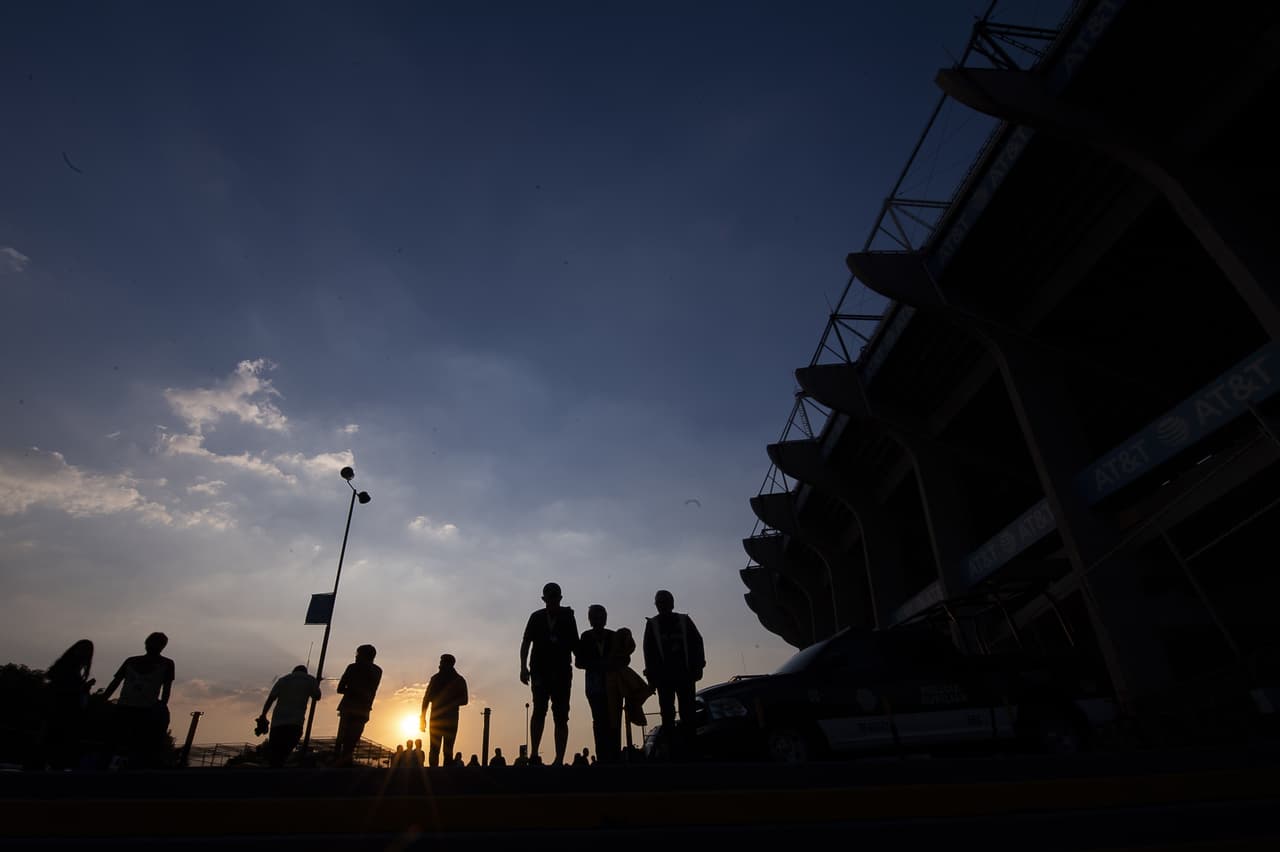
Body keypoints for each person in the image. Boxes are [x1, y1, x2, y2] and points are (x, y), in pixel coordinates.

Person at [519, 582, 579, 765]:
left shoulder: (568, 617)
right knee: (539, 710)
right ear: (544, 599)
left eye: (555, 597)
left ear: (560, 598)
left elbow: (575, 643)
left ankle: (559, 759)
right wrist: (523, 667)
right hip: (540, 671)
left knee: (561, 715)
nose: (553, 601)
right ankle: (534, 754)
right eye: (550, 597)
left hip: (562, 672)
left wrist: (584, 660)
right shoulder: (536, 617)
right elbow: (526, 643)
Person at [642, 590, 705, 757]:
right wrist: (652, 678)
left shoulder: (684, 621)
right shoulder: (653, 625)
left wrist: (698, 667)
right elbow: (649, 653)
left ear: (672, 603)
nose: (662, 605)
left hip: (685, 675)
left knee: (688, 713)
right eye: (660, 602)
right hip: (664, 679)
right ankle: (674, 750)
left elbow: (697, 643)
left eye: (665, 602)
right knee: (668, 714)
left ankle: (690, 748)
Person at [102, 632, 175, 768]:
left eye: (157, 643)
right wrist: (103, 699)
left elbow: (166, 688)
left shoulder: (166, 664)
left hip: (146, 709)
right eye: (152, 642)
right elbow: (115, 682)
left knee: (138, 743)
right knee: (120, 742)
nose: (153, 646)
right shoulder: (131, 661)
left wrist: (162, 705)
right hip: (126, 706)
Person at [575, 604, 634, 763]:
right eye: (595, 617)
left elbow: (626, 658)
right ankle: (602, 758)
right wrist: (599, 665)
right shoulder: (586, 637)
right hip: (594, 688)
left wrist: (613, 663)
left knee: (615, 721)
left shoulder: (614, 636)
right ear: (590, 620)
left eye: (601, 617)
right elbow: (579, 662)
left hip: (614, 687)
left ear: (606, 619)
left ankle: (615, 757)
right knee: (599, 721)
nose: (598, 620)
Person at [43, 639, 95, 769]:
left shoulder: (70, 667)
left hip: (62, 710)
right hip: (61, 710)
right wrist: (82, 688)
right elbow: (65, 688)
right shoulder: (69, 668)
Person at [258, 664, 320, 768]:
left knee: (275, 754)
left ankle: (275, 771)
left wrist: (263, 715)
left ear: (293, 671)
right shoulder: (310, 680)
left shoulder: (283, 680)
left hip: (277, 723)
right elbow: (317, 696)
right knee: (285, 752)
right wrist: (315, 684)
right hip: (295, 723)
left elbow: (271, 699)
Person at [333, 644, 381, 766]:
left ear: (363, 655)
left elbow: (340, 688)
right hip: (364, 709)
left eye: (358, 654)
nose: (356, 657)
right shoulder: (377, 671)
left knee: (342, 738)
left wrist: (351, 689)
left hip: (349, 707)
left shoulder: (352, 667)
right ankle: (345, 762)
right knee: (352, 741)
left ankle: (338, 762)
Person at [419, 653, 468, 767]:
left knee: (447, 750)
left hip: (448, 719)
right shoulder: (436, 679)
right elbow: (426, 699)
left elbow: (465, 700)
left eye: (442, 663)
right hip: (438, 719)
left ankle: (445, 773)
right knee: (435, 749)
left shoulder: (459, 680)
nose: (439, 665)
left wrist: (448, 702)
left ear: (449, 664)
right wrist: (422, 717)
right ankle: (434, 773)